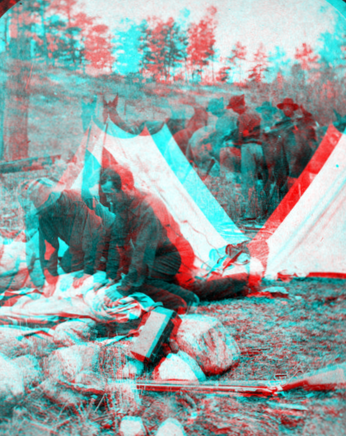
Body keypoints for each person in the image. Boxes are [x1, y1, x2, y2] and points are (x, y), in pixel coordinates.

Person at [100, 166, 199, 314]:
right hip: (150, 260)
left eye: (110, 194)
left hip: (165, 259)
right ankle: (182, 293)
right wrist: (114, 275)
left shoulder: (145, 209)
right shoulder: (122, 207)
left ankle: (182, 300)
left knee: (137, 282)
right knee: (135, 279)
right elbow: (118, 242)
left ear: (125, 187)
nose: (108, 199)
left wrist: (124, 287)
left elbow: (142, 252)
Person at [19, 178, 107, 296]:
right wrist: (47, 278)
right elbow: (46, 248)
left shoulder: (78, 201)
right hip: (78, 249)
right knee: (64, 270)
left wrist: (87, 272)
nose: (45, 212)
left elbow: (94, 236)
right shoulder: (44, 214)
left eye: (45, 207)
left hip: (105, 244)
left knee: (94, 278)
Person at [224, 94, 266, 220]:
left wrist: (231, 143)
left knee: (247, 180)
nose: (234, 111)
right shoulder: (255, 114)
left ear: (239, 106)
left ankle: (250, 212)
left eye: (234, 108)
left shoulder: (242, 117)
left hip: (248, 147)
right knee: (260, 180)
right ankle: (262, 210)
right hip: (260, 147)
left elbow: (241, 136)